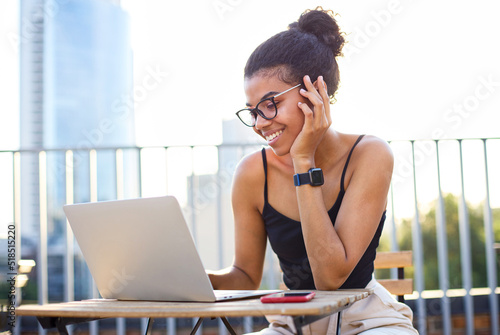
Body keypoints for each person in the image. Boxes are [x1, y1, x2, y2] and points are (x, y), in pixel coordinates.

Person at [207, 7, 419, 335]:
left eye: (270, 103)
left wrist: (303, 160)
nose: (260, 123)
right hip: (291, 325)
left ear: (315, 91)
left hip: (367, 321)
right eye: (252, 112)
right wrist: (187, 278)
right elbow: (245, 276)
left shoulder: (369, 155)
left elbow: (330, 278)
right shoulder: (252, 173)